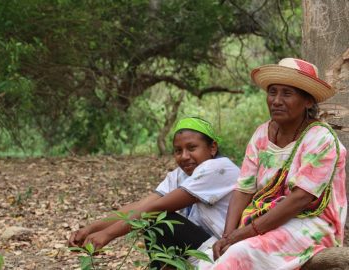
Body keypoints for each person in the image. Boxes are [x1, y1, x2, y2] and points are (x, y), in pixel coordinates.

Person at [200, 58, 347, 269]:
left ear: (308, 101)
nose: (276, 100)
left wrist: (244, 234)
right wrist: (227, 236)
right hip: (263, 218)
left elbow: (300, 199)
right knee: (211, 257)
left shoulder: (321, 139)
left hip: (310, 223)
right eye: (272, 92)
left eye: (287, 93)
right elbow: (243, 189)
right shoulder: (262, 134)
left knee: (241, 253)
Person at [68, 117, 240, 268]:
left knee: (159, 219)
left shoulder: (218, 168)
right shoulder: (180, 175)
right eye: (178, 151)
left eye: (192, 148)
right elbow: (142, 205)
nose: (184, 156)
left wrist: (108, 234)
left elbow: (156, 208)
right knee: (152, 220)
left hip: (225, 252)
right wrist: (90, 229)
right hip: (203, 249)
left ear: (213, 148)